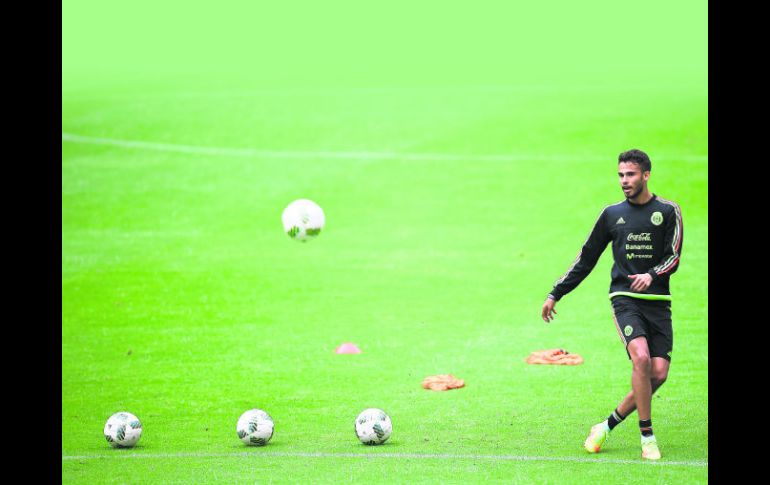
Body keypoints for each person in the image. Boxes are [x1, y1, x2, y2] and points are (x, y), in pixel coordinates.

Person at [540, 149, 683, 460]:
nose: (624, 181)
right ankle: (647, 436)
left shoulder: (669, 211)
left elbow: (674, 256)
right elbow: (586, 258)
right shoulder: (611, 215)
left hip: (658, 302)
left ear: (646, 175)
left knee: (658, 374)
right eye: (620, 175)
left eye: (630, 174)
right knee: (641, 360)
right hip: (625, 299)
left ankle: (605, 426)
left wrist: (651, 274)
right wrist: (556, 292)